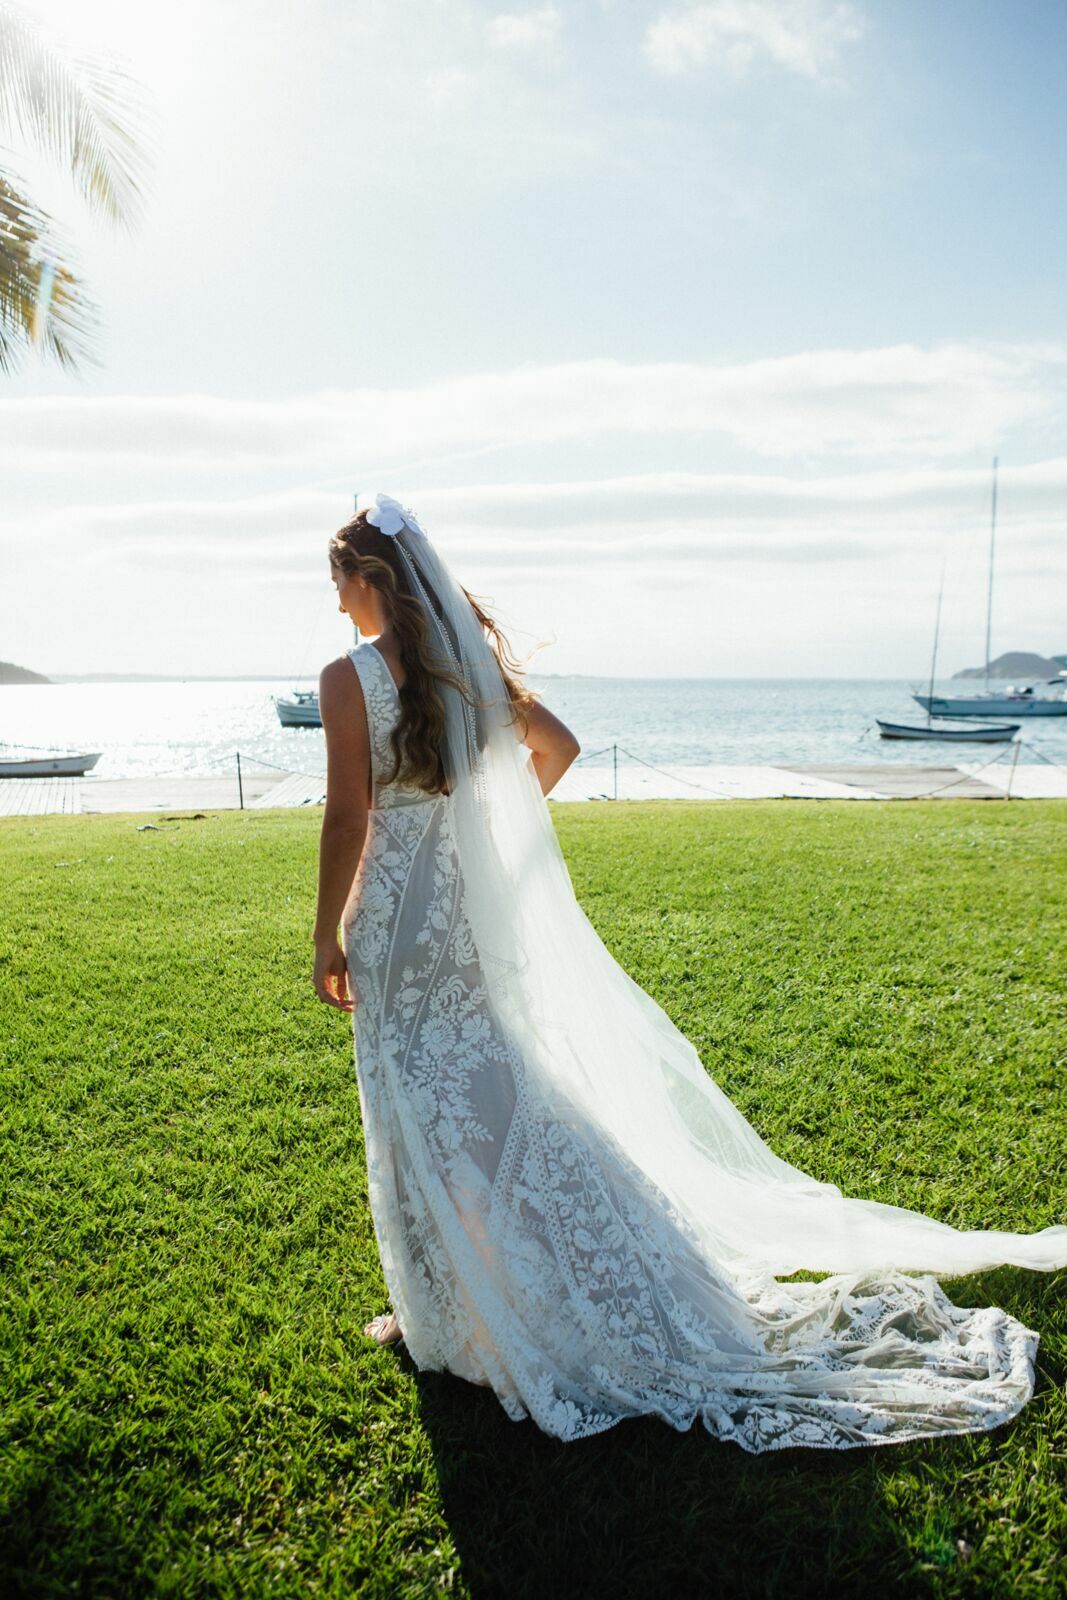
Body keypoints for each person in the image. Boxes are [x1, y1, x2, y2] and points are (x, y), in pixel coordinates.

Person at [312, 493, 1067, 1453]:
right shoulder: (465, 671)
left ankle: (448, 1313)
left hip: (394, 919)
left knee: (415, 1097)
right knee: (497, 1087)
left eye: (338, 582)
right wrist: (482, 832)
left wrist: (327, 934)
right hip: (461, 910)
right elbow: (559, 749)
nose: (336, 602)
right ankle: (473, 1301)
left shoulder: (348, 678)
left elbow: (348, 816)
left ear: (369, 576)